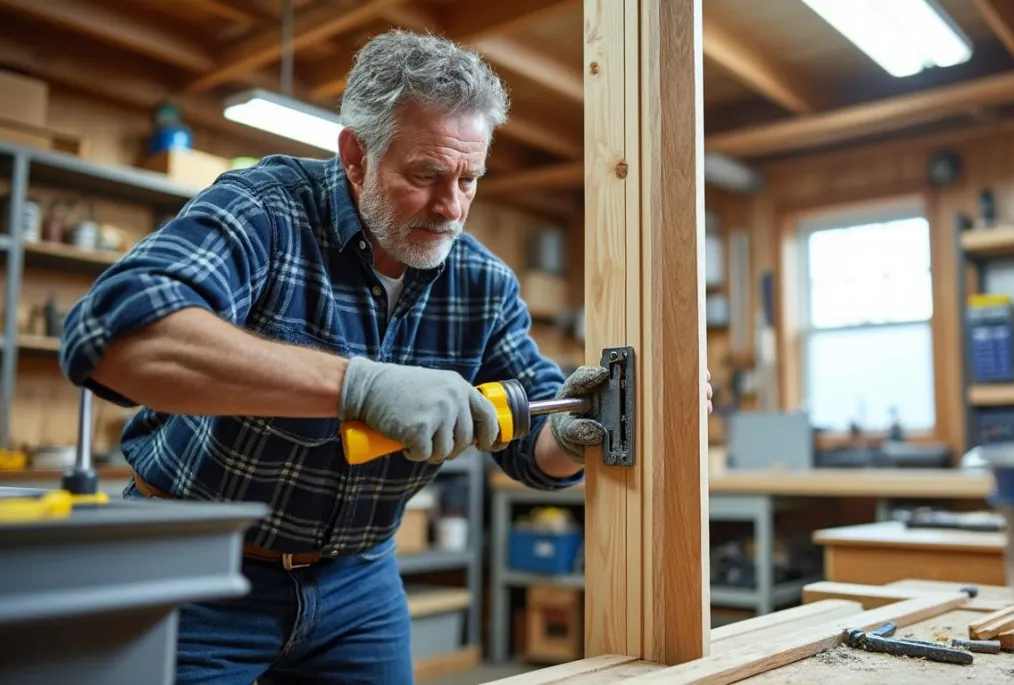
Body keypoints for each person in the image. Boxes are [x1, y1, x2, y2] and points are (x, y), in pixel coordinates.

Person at [58, 29, 713, 685]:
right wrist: (359, 387)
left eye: (470, 179)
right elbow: (115, 335)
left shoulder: (481, 284)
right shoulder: (266, 209)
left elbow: (531, 448)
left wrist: (571, 434)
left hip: (356, 581)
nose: (451, 207)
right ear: (355, 155)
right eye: (426, 175)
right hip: (195, 565)